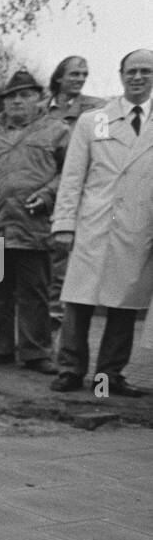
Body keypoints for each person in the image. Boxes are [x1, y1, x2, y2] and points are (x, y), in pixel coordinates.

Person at [50, 48, 153, 398]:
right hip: (94, 223)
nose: (138, 77)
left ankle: (107, 377)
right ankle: (70, 369)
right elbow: (72, 177)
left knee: (124, 304)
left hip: (138, 226)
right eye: (132, 71)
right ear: (121, 74)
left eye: (146, 71)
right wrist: (63, 223)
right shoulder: (93, 120)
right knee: (79, 300)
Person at [0, 70, 70, 374]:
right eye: (11, 96)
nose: (17, 101)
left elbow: (69, 175)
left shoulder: (56, 131)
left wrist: (48, 195)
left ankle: (36, 353)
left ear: (39, 98)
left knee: (34, 292)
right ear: (4, 102)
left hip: (33, 227)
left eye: (25, 94)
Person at [42, 56, 108, 327]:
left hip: (73, 193)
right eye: (74, 74)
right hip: (42, 189)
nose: (80, 79)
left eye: (84, 74)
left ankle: (56, 318)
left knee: (62, 261)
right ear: (59, 78)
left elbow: (104, 149)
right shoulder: (41, 110)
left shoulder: (97, 110)